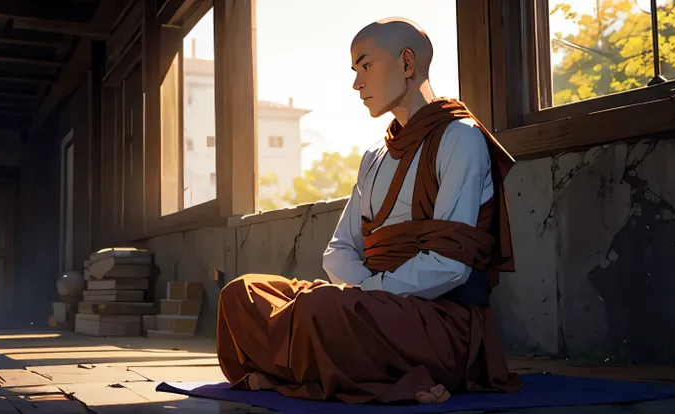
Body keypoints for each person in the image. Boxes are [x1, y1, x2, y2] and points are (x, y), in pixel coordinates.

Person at [216, 17, 521, 405]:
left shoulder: (461, 138)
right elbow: (339, 250)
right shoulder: (374, 157)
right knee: (241, 293)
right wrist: (364, 294)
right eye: (355, 71)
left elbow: (450, 265)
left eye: (366, 66)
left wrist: (368, 295)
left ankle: (295, 371)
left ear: (407, 63)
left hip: (438, 321)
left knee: (321, 309)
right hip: (368, 308)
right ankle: (318, 369)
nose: (357, 84)